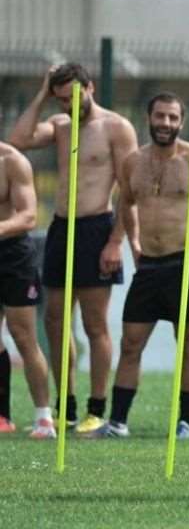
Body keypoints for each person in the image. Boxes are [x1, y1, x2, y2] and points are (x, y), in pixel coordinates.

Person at [90, 92, 189, 439]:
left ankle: (186, 422)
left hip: (186, 261)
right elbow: (126, 202)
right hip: (149, 265)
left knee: (187, 343)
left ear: (182, 122)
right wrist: (130, 243)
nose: (166, 123)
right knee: (131, 343)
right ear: (149, 118)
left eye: (173, 117)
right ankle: (118, 422)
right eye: (160, 116)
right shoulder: (133, 162)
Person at [8, 64, 138, 434]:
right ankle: (66, 404)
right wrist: (42, 94)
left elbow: (129, 190)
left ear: (90, 87)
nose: (69, 104)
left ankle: (96, 408)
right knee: (54, 320)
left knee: (94, 323)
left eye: (73, 97)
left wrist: (116, 241)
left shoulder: (116, 127)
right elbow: (19, 139)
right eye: (62, 99)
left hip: (97, 227)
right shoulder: (61, 125)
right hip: (61, 227)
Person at [0, 142, 54, 438]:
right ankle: (2, 416)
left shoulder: (12, 161)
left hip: (13, 255)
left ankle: (43, 417)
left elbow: (28, 216)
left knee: (23, 336)